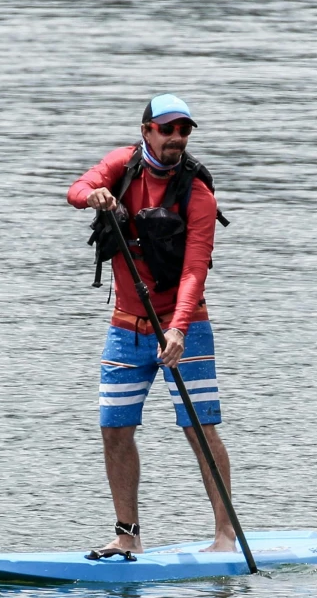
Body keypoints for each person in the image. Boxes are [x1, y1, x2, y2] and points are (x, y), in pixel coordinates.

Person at [66, 94, 233, 560]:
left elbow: (194, 270)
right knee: (115, 429)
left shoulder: (197, 195)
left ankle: (225, 534)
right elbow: (76, 189)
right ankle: (128, 534)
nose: (177, 137)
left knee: (199, 429)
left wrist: (178, 329)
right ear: (147, 133)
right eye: (168, 129)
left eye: (184, 130)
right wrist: (92, 194)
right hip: (126, 328)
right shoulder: (121, 167)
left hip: (186, 327)